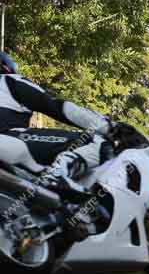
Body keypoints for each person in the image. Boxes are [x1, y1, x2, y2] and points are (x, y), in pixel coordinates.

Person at [0, 51, 116, 194]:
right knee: (98, 143)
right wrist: (109, 127)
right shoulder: (9, 80)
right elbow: (56, 107)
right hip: (9, 138)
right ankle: (56, 177)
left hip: (11, 147)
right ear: (5, 67)